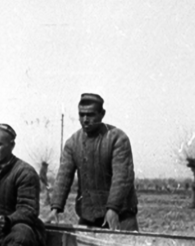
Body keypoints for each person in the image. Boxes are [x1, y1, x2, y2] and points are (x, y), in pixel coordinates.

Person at [47, 93, 139, 231]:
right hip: (88, 217)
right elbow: (63, 177)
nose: (85, 120)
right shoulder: (72, 143)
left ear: (102, 114)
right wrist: (55, 208)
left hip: (121, 216)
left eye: (90, 115)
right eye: (81, 114)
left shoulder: (117, 138)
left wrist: (113, 208)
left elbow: (122, 177)